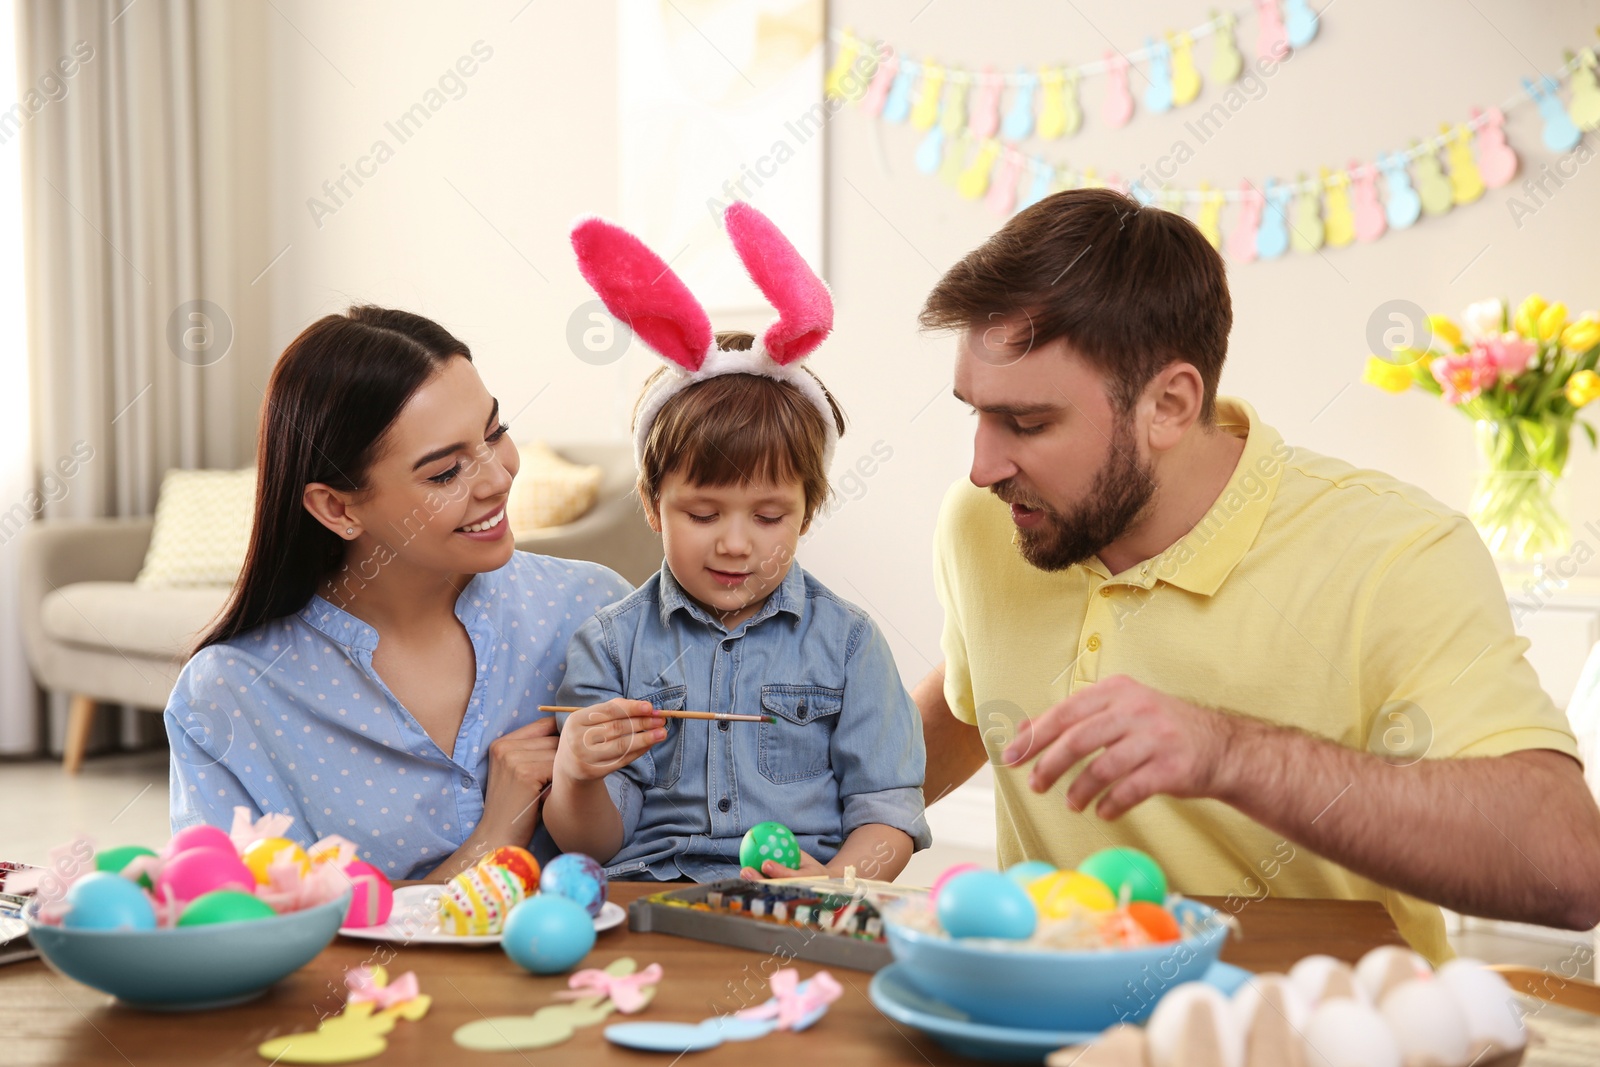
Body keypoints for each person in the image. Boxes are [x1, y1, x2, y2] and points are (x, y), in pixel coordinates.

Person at [915, 187, 1600, 963]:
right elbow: (971, 701)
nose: (981, 467)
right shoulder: (991, 524)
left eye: (1029, 423)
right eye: (975, 411)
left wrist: (1228, 752)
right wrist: (815, 814)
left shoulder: (1397, 552)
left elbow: (1567, 864)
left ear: (1170, 405)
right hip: (1060, 1027)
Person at [164, 306, 629, 882]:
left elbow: (680, 846)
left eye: (495, 433)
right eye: (444, 473)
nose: (498, 478)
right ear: (337, 507)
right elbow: (246, 935)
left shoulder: (594, 609)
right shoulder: (231, 697)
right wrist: (493, 838)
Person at [540, 203, 929, 883]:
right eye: (702, 512)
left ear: (808, 514)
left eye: (769, 516)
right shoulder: (607, 646)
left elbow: (888, 810)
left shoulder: (850, 644)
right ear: (652, 507)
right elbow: (596, 843)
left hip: (800, 896)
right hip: (653, 896)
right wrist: (574, 774)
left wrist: (833, 884)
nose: (735, 544)